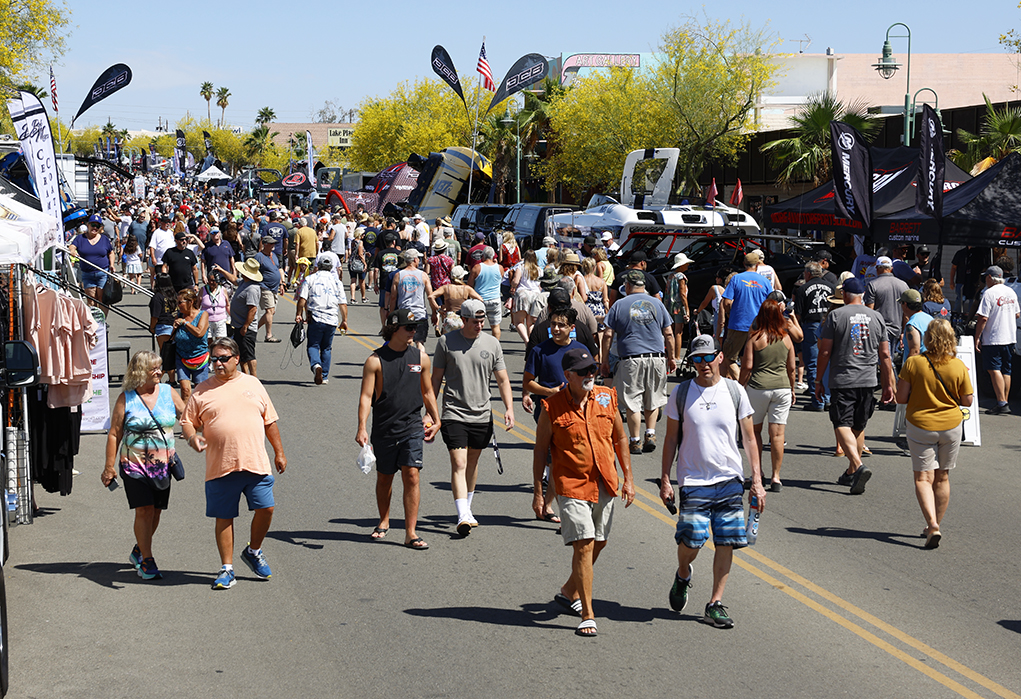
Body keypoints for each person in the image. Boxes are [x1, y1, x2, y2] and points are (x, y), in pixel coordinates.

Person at [659, 335, 765, 629]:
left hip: (729, 479)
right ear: (691, 361)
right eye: (697, 359)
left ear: (720, 357)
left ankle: (714, 603)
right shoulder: (681, 393)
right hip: (693, 479)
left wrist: (756, 480)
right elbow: (670, 439)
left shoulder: (734, 392)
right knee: (691, 537)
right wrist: (666, 478)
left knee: (726, 541)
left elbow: (749, 438)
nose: (703, 364)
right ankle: (683, 573)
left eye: (708, 357)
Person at [532, 347, 635, 637]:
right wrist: (539, 493)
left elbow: (621, 438)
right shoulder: (552, 407)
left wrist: (628, 478)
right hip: (571, 484)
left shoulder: (606, 396)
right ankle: (587, 613)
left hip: (605, 480)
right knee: (585, 543)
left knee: (599, 542)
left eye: (593, 369)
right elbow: (541, 450)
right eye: (584, 371)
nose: (591, 375)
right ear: (568, 376)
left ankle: (568, 590)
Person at [181, 337, 287, 590]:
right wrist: (192, 438)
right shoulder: (202, 390)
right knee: (224, 516)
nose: (217, 363)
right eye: (214, 359)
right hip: (221, 465)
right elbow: (187, 421)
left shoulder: (253, 384)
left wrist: (279, 452)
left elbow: (269, 421)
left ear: (236, 359)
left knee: (266, 509)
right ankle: (227, 568)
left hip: (255, 462)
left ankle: (254, 550)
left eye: (223, 358)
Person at [356, 309, 441, 550]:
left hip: (412, 426)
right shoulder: (375, 360)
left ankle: (410, 532)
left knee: (412, 474)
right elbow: (366, 396)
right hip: (384, 427)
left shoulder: (421, 358)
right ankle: (384, 520)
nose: (414, 332)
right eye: (409, 328)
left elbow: (427, 392)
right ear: (394, 329)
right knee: (385, 477)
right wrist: (361, 427)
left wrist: (436, 419)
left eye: (415, 328)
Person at [430, 299, 515, 536]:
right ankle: (463, 514)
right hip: (454, 412)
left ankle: (467, 506)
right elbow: (435, 379)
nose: (479, 325)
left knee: (472, 463)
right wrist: (430, 410)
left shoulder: (492, 344)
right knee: (459, 463)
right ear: (464, 320)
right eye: (475, 321)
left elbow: (503, 379)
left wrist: (509, 408)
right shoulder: (446, 342)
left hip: (482, 414)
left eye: (482, 321)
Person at [102, 351, 186, 581]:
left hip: (162, 466)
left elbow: (187, 417)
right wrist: (109, 466)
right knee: (144, 509)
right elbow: (114, 434)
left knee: (156, 511)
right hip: (133, 464)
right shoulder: (126, 398)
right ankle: (147, 560)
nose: (159, 372)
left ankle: (139, 548)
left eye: (160, 367)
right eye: (154, 369)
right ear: (140, 372)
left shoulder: (169, 393)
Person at [895, 319, 974, 549]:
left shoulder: (913, 363)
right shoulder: (958, 366)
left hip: (920, 425)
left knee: (922, 477)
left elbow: (901, 398)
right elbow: (967, 401)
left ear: (928, 338)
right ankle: (935, 524)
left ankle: (932, 524)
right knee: (943, 476)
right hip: (950, 426)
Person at [816, 277, 896, 494]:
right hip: (868, 379)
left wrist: (817, 379)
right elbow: (886, 354)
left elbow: (824, 351)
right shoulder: (877, 317)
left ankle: (858, 466)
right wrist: (889, 383)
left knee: (841, 421)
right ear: (861, 296)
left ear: (844, 295)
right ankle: (852, 471)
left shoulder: (835, 315)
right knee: (859, 425)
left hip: (844, 378)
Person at [602, 270, 676, 454]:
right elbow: (668, 333)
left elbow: (608, 334)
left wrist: (604, 360)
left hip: (630, 359)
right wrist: (672, 357)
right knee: (653, 397)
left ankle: (635, 440)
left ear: (627, 286)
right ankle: (650, 433)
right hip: (656, 358)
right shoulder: (658, 304)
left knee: (632, 400)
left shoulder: (619, 305)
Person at [739, 295, 796, 491]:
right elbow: (791, 368)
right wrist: (793, 387)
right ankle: (776, 477)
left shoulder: (754, 338)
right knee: (778, 435)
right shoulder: (787, 338)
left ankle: (757, 473)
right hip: (782, 388)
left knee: (754, 433)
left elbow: (747, 367)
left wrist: (740, 387)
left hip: (758, 388)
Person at [295, 256, 349, 386]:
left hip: (315, 317)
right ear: (331, 267)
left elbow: (302, 299)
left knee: (313, 345)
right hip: (331, 319)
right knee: (326, 348)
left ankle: (316, 365)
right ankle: (324, 376)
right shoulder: (337, 282)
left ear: (317, 266)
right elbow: (342, 303)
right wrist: (344, 320)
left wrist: (298, 314)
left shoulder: (310, 279)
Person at [974, 265, 1020, 415]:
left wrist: (977, 337)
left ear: (989, 278)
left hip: (993, 337)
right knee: (1006, 370)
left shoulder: (989, 293)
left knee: (994, 369)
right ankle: (1004, 401)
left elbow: (983, 318)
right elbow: (1017, 314)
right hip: (1010, 337)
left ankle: (1002, 402)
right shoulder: (1011, 291)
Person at [719, 253, 771, 379]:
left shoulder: (736, 279)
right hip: (758, 325)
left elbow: (726, 302)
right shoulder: (765, 281)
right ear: (757, 264)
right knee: (754, 358)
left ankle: (742, 385)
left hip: (738, 323)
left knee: (729, 357)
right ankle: (750, 384)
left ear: (744, 264)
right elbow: (770, 303)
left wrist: (730, 313)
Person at [793, 262, 836, 411]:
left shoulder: (803, 289)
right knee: (828, 362)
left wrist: (794, 330)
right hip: (829, 325)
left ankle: (817, 401)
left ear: (808, 274)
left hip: (811, 326)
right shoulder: (831, 287)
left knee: (812, 363)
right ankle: (828, 398)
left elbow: (797, 314)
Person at [388, 249, 435, 350]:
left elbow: (393, 297)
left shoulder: (398, 275)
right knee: (420, 342)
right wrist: (434, 313)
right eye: (419, 258)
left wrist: (391, 315)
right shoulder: (423, 275)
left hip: (404, 315)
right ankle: (421, 362)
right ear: (415, 259)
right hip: (420, 313)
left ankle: (409, 362)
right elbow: (430, 296)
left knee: (408, 342)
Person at [172, 288, 210, 403]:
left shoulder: (203, 314)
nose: (178, 306)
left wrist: (185, 323)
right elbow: (173, 337)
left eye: (180, 302)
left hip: (199, 357)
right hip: (181, 356)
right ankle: (184, 418)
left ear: (191, 302)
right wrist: (174, 329)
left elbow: (199, 333)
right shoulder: (179, 315)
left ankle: (200, 417)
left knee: (200, 391)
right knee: (185, 390)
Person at [69, 213, 116, 306]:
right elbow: (72, 246)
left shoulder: (104, 239)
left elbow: (111, 252)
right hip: (87, 274)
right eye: (93, 225)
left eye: (97, 226)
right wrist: (73, 251)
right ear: (88, 225)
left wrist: (112, 264)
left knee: (102, 300)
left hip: (102, 272)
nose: (95, 228)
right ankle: (93, 320)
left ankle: (102, 320)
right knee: (91, 300)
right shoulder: (80, 238)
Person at [229, 258, 264, 376]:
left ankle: (254, 377)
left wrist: (246, 326)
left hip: (246, 327)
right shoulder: (244, 282)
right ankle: (245, 375)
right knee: (241, 354)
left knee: (249, 354)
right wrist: (222, 270)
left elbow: (252, 309)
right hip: (238, 325)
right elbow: (234, 280)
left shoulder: (252, 288)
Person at [865, 256, 909, 345]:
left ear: (877, 268)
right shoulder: (904, 285)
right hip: (897, 331)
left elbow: (869, 312)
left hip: (878, 332)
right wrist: (904, 332)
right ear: (891, 269)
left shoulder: (872, 285)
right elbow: (906, 313)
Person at [468, 247, 504, 339]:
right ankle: (496, 346)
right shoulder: (500, 268)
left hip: (480, 300)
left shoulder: (477, 268)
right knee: (495, 326)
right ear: (493, 256)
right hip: (495, 299)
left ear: (483, 256)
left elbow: (469, 285)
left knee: (476, 325)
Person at [664, 252, 693, 366]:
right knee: (678, 332)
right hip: (678, 307)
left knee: (669, 331)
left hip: (668, 306)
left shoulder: (670, 275)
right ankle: (676, 356)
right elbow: (682, 294)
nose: (687, 265)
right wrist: (687, 309)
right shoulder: (681, 277)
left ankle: (669, 355)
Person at [254, 236, 284, 343]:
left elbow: (278, 268)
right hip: (264, 286)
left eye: (274, 243)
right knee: (269, 310)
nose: (273, 246)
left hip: (274, 288)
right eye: (271, 244)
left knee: (271, 311)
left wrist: (282, 283)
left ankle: (253, 330)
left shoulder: (274, 255)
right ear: (265, 244)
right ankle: (268, 335)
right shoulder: (259, 256)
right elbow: (253, 270)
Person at [511, 250, 543, 343]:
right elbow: (540, 285)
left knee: (518, 322)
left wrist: (512, 284)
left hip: (523, 294)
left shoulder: (521, 268)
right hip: (535, 295)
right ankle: (532, 342)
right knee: (531, 323)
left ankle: (526, 340)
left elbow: (516, 281)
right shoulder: (539, 270)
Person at [148, 272, 178, 358]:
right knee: (172, 354)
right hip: (175, 325)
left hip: (163, 326)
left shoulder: (157, 297)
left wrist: (152, 327)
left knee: (165, 354)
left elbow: (155, 316)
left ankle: (167, 371)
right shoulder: (174, 295)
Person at [200, 273, 229, 341]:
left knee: (220, 342)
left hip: (221, 320)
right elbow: (197, 305)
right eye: (209, 280)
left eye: (213, 280)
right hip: (207, 321)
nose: (211, 282)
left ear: (218, 281)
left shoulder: (223, 289)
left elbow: (227, 305)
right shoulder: (203, 289)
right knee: (208, 342)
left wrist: (233, 318)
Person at [348, 228, 368, 304]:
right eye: (363, 234)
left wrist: (365, 253)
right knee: (362, 280)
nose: (364, 235)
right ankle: (363, 297)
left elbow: (353, 252)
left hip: (352, 262)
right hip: (359, 263)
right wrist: (365, 263)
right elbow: (360, 254)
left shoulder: (353, 242)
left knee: (353, 280)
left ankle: (352, 297)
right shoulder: (360, 242)